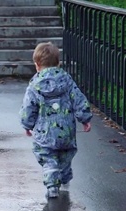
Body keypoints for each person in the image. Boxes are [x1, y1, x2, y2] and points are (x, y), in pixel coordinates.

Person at [19, 42, 93, 199]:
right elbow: (78, 99)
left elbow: (28, 107)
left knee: (47, 157)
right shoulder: (66, 80)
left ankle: (52, 185)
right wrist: (85, 118)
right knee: (65, 155)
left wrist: (27, 124)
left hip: (44, 133)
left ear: (37, 65)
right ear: (58, 63)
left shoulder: (35, 84)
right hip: (66, 131)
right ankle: (65, 179)